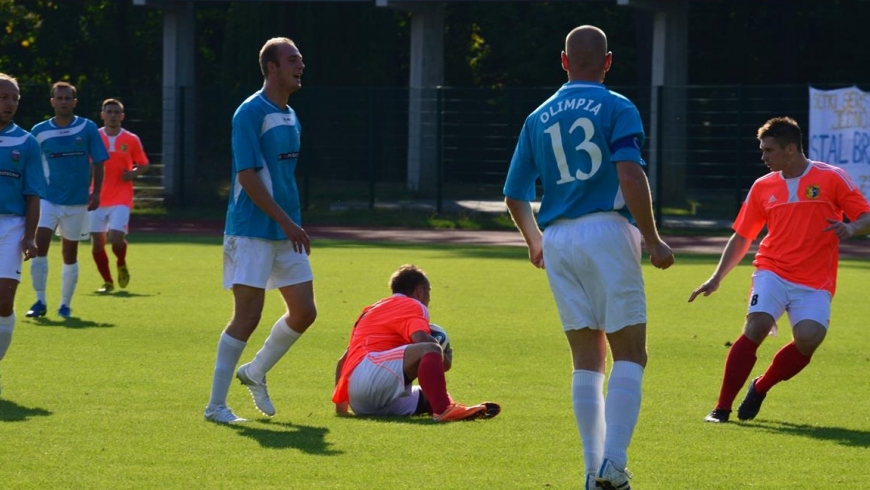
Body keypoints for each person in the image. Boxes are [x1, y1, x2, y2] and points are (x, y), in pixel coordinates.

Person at [502, 26, 674, 490]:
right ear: (608, 61)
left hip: (558, 238)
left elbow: (515, 194)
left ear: (563, 61)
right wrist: (654, 239)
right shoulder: (618, 106)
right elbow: (629, 174)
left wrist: (534, 241)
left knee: (585, 357)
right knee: (630, 352)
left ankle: (590, 469)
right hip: (606, 231)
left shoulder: (537, 117)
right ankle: (614, 464)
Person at [689, 116, 870, 424]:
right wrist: (717, 277)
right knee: (756, 326)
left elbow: (866, 216)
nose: (763, 157)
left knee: (809, 339)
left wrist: (851, 229)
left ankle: (760, 386)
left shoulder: (832, 178)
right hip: (772, 270)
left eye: (768, 150)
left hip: (815, 280)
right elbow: (744, 235)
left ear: (790, 149)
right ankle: (721, 408)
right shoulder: (763, 186)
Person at [204, 37, 317, 424]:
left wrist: (291, 222)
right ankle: (216, 406)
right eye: (292, 60)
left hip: (286, 231)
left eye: (300, 59)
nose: (300, 65)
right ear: (271, 67)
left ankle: (254, 372)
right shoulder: (249, 113)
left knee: (304, 312)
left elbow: (284, 177)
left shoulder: (292, 115)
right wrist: (287, 222)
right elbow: (247, 177)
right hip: (252, 229)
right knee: (247, 316)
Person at [332, 264, 500, 422]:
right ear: (419, 291)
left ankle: (453, 409)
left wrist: (342, 410)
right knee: (430, 347)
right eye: (429, 291)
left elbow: (343, 361)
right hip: (373, 377)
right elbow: (421, 341)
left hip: (359, 399)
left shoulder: (369, 311)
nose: (429, 298)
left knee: (429, 394)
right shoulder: (413, 304)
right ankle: (444, 410)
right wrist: (443, 359)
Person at [26, 82, 108, 319]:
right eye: (59, 98)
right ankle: (39, 301)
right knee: (38, 247)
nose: (63, 102)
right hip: (46, 199)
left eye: (67, 98)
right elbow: (29, 164)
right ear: (52, 101)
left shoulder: (87, 127)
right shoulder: (39, 131)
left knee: (69, 253)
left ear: (75, 101)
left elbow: (99, 161)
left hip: (77, 201)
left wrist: (96, 192)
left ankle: (65, 305)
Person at [0, 73, 45, 397]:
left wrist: (29, 235)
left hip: (11, 226)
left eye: (14, 98)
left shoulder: (26, 141)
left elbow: (33, 194)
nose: (9, 103)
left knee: (3, 303)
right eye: (4, 97)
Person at [90, 98, 149, 293]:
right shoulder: (94, 137)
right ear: (102, 115)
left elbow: (143, 163)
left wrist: (133, 173)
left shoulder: (131, 139)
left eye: (116, 112)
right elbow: (86, 163)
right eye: (109, 112)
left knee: (115, 238)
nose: (113, 115)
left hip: (121, 198)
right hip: (96, 197)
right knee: (98, 244)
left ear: (122, 116)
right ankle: (107, 282)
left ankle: (121, 263)